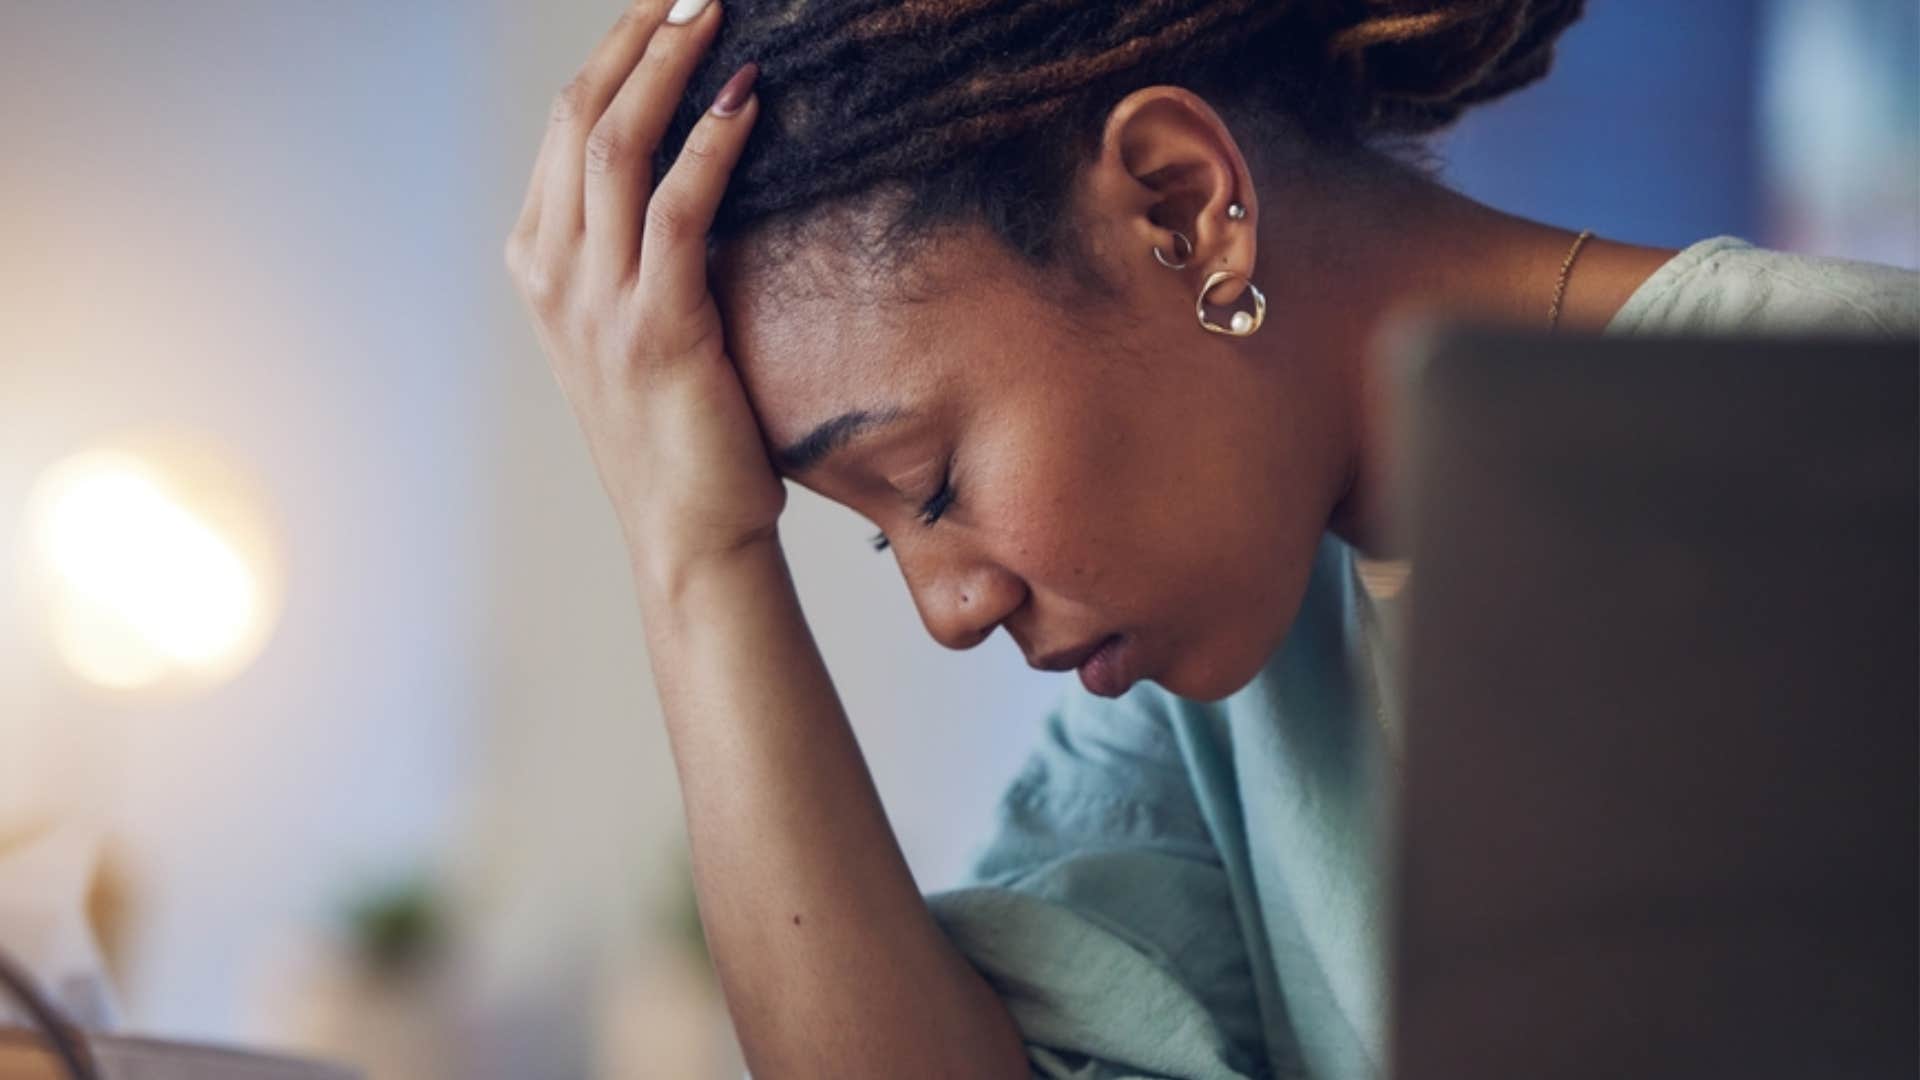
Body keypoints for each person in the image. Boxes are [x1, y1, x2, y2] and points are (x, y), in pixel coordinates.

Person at [502, 1, 1920, 1075]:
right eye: (878, 539)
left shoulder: (1855, 437)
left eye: (926, 484)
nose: (947, 608)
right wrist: (695, 553)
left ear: (1182, 208)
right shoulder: (1217, 680)